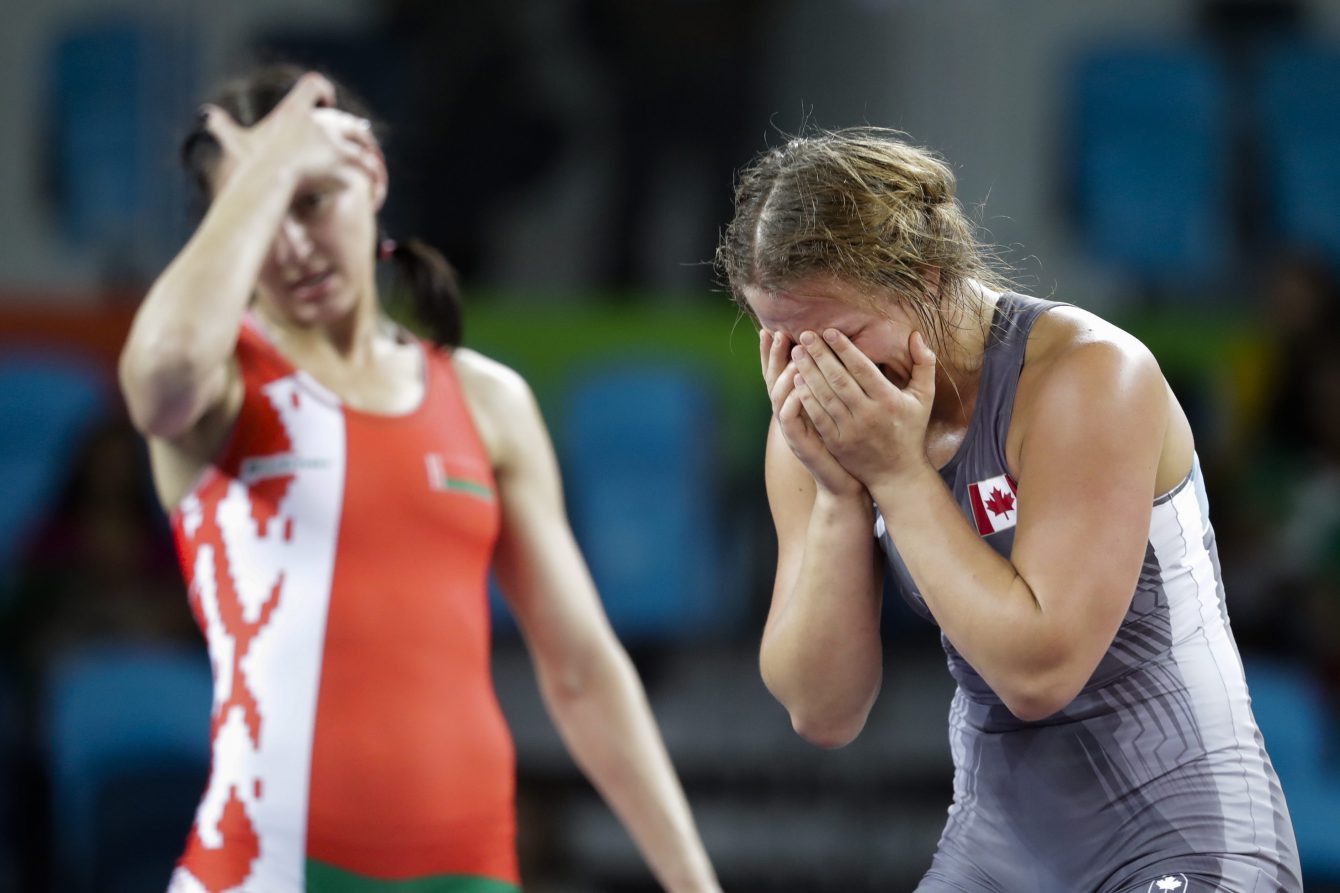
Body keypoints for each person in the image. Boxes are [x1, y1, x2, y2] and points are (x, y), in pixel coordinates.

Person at [118, 66, 720, 893]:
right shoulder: (220, 389)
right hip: (265, 870)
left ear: (371, 179)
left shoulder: (487, 400)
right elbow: (161, 374)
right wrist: (263, 171)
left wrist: (694, 884)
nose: (290, 245)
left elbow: (581, 667)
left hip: (469, 872)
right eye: (260, 215)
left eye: (311, 200)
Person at [716, 128, 1302, 893]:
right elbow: (824, 712)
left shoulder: (1090, 374)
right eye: (786, 343)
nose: (822, 372)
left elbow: (1040, 671)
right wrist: (836, 496)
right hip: (999, 852)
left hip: (1180, 837)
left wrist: (894, 473)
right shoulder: (818, 416)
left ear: (926, 277)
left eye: (844, 337)